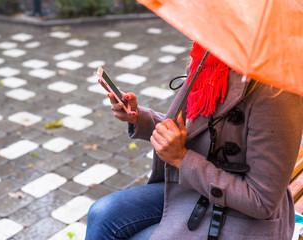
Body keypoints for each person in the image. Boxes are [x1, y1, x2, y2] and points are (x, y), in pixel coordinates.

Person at [85, 42, 303, 240]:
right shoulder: (210, 60)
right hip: (195, 188)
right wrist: (139, 117)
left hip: (242, 214)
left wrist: (182, 159)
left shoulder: (278, 92)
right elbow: (193, 130)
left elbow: (261, 200)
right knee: (102, 213)